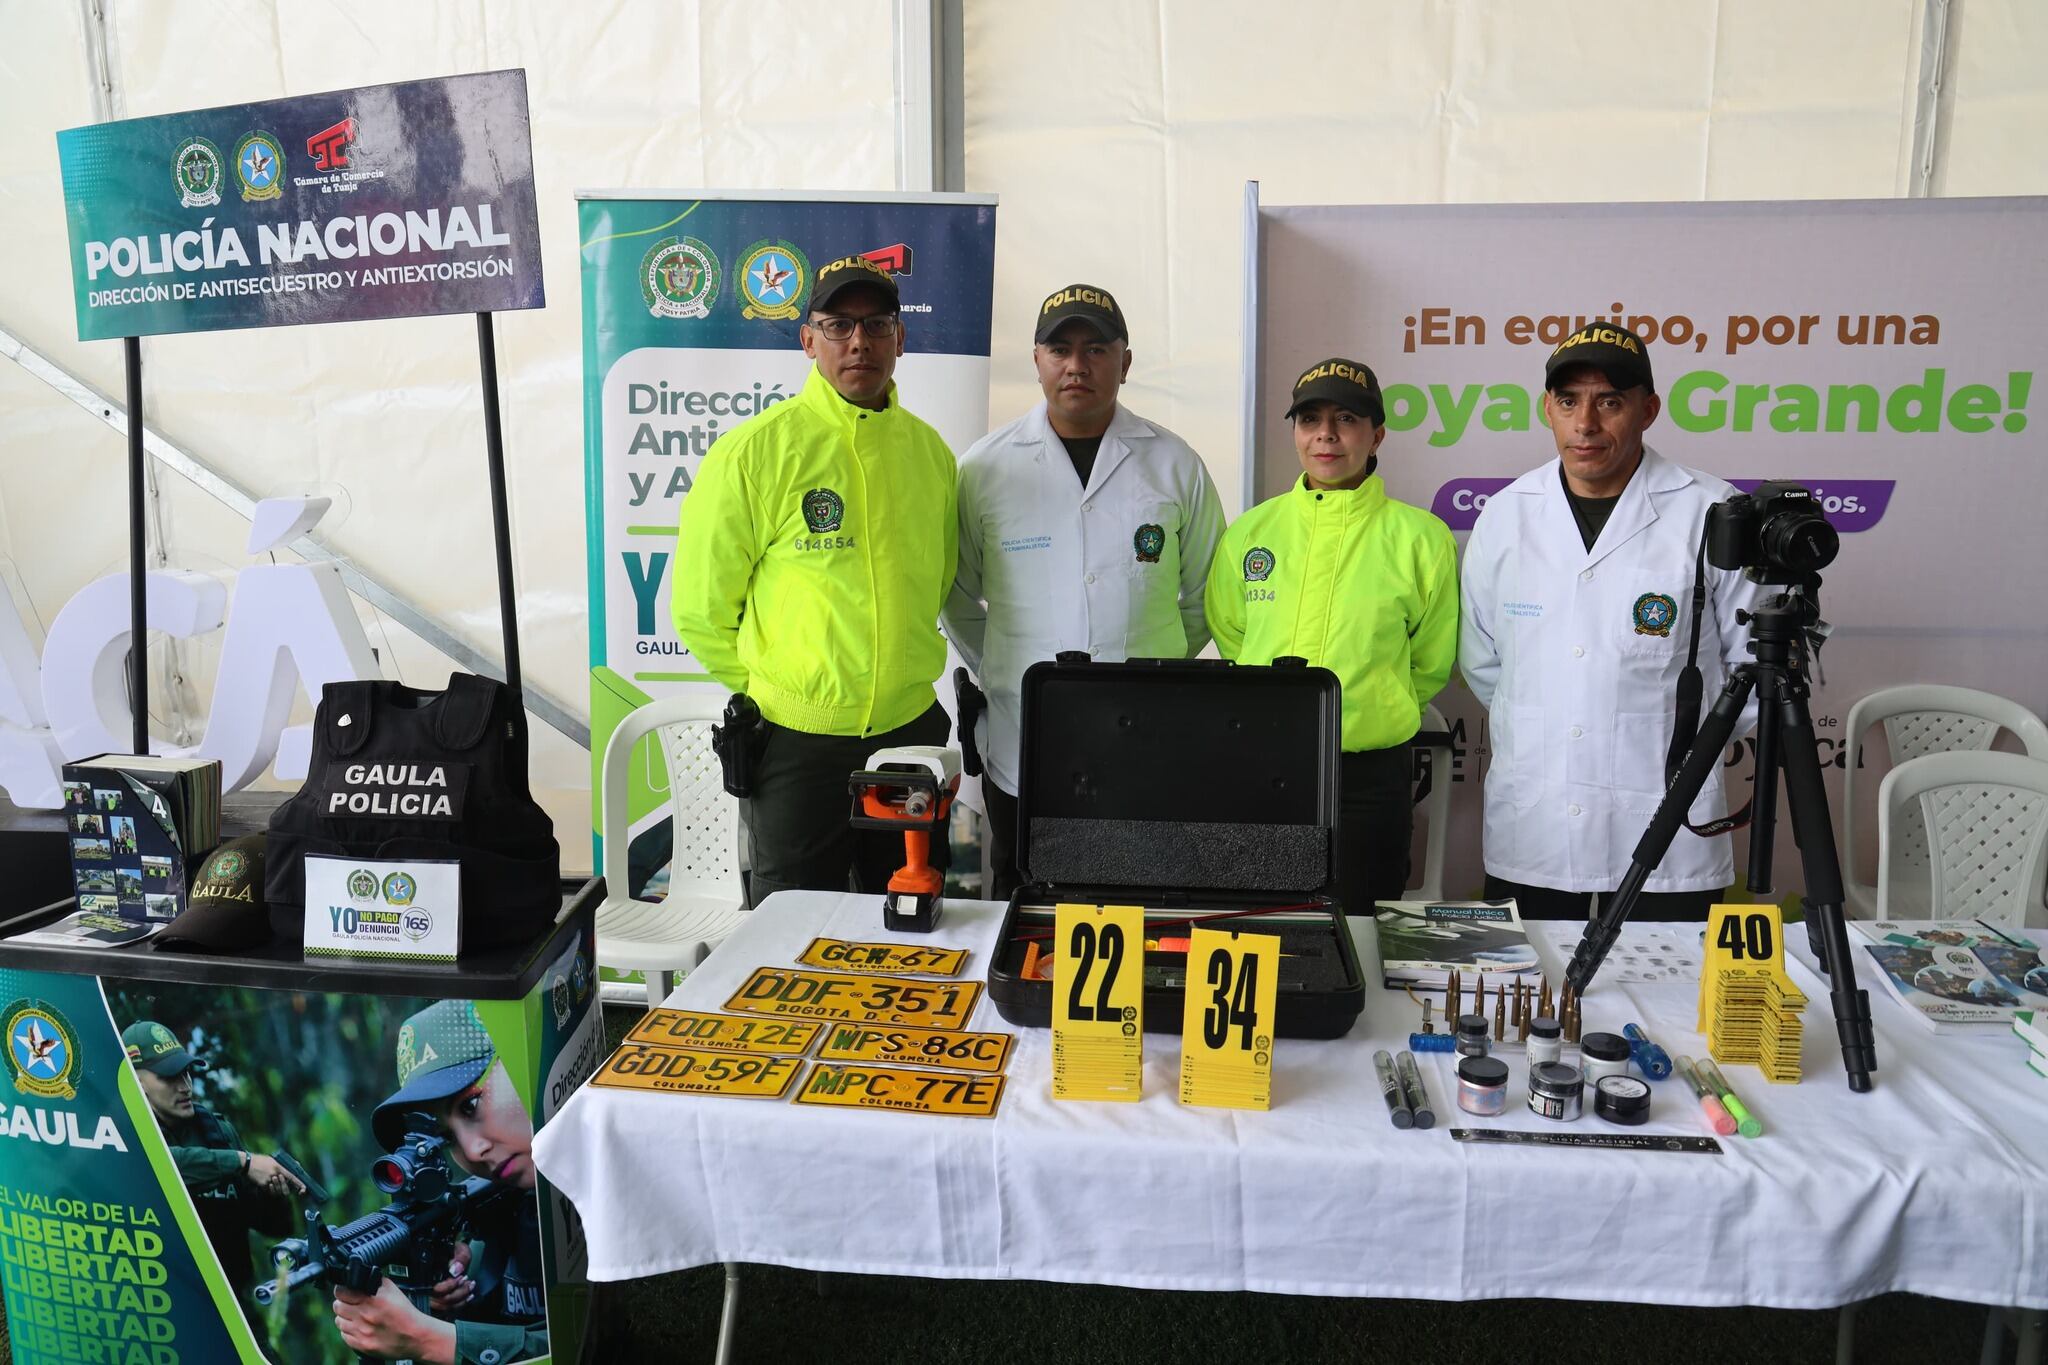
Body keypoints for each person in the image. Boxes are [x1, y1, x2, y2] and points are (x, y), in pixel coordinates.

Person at [671, 253, 959, 908]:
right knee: (794, 930)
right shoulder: (756, 452)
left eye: (878, 324)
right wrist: (780, 692)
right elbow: (699, 606)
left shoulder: (931, 455)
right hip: (795, 747)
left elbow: (936, 580)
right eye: (837, 325)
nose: (859, 341)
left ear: (901, 339)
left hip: (908, 733)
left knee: (910, 916)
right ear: (808, 340)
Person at [1459, 321, 1761, 920]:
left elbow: (1755, 670)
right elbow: (1485, 660)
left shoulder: (1712, 512)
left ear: (1648, 410)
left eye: (1610, 402)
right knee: (1533, 1000)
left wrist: (1670, 750)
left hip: (1668, 815)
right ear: (1547, 408)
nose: (1586, 423)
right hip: (1537, 819)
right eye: (1568, 401)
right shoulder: (1506, 515)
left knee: (1672, 1000)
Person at [943, 283, 1225, 896]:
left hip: (1145, 735)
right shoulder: (985, 467)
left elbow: (1210, 595)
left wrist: (1155, 674)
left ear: (1125, 362)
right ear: (1037, 361)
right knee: (1026, 902)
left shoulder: (1176, 464)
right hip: (1023, 735)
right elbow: (957, 596)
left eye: (1096, 348)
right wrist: (1003, 668)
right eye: (1060, 348)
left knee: (1139, 898)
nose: (1078, 365)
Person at [1205, 358, 1458, 913]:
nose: (1326, 434)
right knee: (1259, 924)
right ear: (1295, 432)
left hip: (1371, 777)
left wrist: (1376, 706)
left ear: (1377, 435)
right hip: (1261, 763)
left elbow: (1431, 659)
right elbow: (1232, 634)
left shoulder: (1421, 537)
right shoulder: (1252, 531)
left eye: (1346, 418)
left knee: (1361, 926)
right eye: (1309, 419)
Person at [330, 1000, 546, 1365]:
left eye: (471, 1106)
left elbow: (588, 1342)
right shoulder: (505, 1215)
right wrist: (431, 1304)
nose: (473, 1150)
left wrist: (429, 1339)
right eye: (448, 1137)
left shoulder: (600, 1176)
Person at [124, 1020, 306, 1308]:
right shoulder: (122, 1134)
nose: (184, 1087)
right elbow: (157, 1164)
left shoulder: (216, 1131)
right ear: (136, 1081)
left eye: (185, 1073)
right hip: (163, 1306)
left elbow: (274, 1226)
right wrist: (243, 1162)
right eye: (169, 1077)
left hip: (233, 1307)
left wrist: (273, 1193)